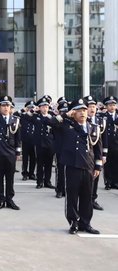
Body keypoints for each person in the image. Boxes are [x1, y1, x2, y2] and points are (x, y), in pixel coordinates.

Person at [48, 98, 103, 234]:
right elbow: (50, 122)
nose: (83, 113)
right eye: (79, 110)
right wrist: (66, 115)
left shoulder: (93, 127)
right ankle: (74, 222)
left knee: (87, 196)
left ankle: (86, 223)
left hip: (88, 166)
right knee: (72, 196)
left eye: (84, 110)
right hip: (72, 165)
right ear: (73, 113)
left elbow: (98, 149)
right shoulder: (66, 125)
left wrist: (97, 167)